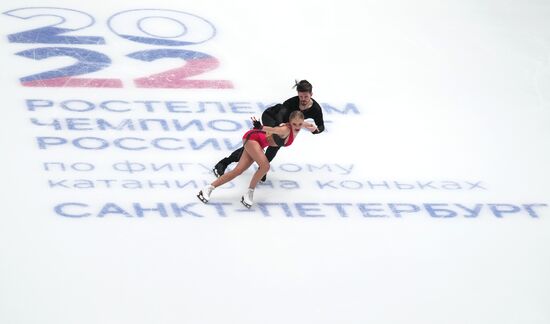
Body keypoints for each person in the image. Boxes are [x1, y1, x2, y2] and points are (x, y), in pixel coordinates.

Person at [198, 111, 317, 208]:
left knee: (238, 170)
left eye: (300, 124)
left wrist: (311, 127)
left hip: (258, 143)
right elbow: (272, 129)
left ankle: (208, 188)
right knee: (265, 166)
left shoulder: (301, 125)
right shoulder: (285, 129)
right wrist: (260, 126)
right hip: (252, 138)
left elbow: (306, 124)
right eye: (294, 124)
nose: (297, 127)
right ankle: (249, 192)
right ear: (290, 122)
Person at [213, 80, 325, 182]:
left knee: (275, 144)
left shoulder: (315, 109)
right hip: (271, 117)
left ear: (311, 94)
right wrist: (280, 126)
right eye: (301, 96)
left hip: (283, 126)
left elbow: (321, 126)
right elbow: (281, 114)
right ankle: (224, 163)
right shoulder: (291, 102)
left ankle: (262, 167)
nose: (303, 99)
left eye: (306, 96)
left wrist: (316, 130)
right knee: (262, 144)